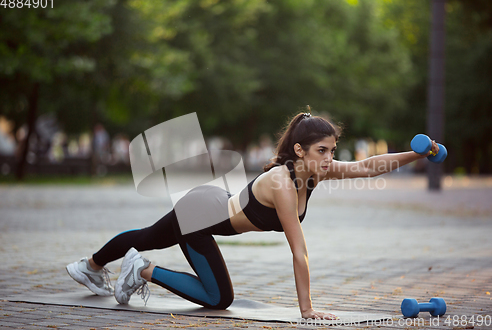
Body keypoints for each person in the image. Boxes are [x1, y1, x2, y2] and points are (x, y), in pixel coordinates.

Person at [66, 111, 439, 320]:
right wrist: (306, 309)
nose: (330, 158)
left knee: (186, 269)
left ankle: (106, 266)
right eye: (323, 150)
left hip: (211, 209)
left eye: (332, 150)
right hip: (201, 213)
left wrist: (417, 154)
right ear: (300, 149)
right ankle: (117, 267)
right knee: (198, 281)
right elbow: (298, 249)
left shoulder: (314, 171)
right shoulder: (282, 182)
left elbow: (370, 165)